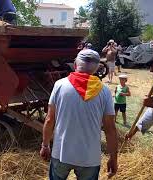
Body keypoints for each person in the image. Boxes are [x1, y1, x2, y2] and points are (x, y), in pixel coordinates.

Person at [40, 49, 118, 179]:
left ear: (75, 65)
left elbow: (49, 120)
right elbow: (110, 129)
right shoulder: (104, 91)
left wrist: (45, 145)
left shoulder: (59, 85)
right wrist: (113, 158)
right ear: (98, 68)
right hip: (90, 159)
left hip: (61, 154)